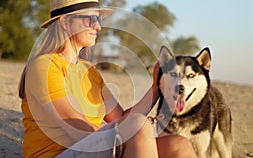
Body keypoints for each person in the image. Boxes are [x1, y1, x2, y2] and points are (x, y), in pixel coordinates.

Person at [18, 0, 198, 157]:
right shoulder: (44, 65)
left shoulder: (88, 70)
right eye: (90, 19)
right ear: (65, 21)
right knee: (137, 124)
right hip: (58, 154)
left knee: (179, 145)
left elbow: (120, 117)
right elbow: (76, 128)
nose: (98, 26)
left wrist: (157, 88)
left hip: (95, 148)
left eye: (99, 19)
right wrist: (124, 133)